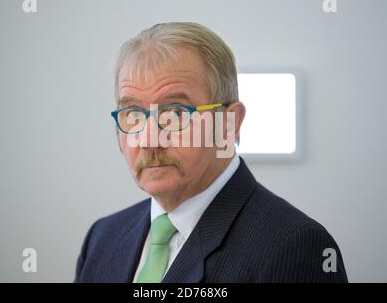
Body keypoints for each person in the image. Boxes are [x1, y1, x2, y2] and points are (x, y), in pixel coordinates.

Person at [74, 22, 348, 283]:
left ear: (230, 124)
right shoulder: (103, 237)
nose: (148, 140)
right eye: (133, 114)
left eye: (175, 113)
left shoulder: (295, 247)